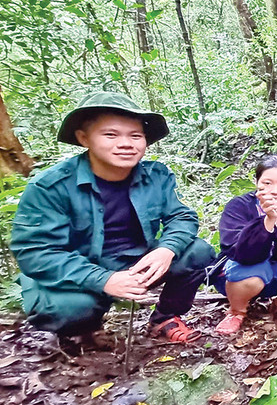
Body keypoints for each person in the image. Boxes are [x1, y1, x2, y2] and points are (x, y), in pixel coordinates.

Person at [10, 91, 216, 343]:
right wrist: (103, 279)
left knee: (198, 251)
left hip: (137, 262)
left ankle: (164, 318)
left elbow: (182, 217)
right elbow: (35, 251)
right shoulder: (51, 186)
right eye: (111, 135)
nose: (126, 144)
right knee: (66, 310)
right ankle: (85, 329)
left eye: (135, 136)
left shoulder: (157, 176)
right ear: (84, 138)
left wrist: (166, 250)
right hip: (80, 270)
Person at [214, 156, 277, 335]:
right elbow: (241, 254)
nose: (276, 191)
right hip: (240, 275)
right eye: (267, 183)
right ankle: (236, 311)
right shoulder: (238, 206)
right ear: (257, 183)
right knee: (255, 271)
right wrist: (268, 220)